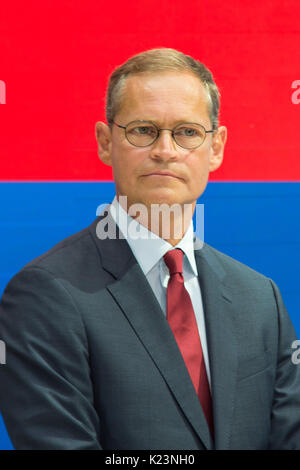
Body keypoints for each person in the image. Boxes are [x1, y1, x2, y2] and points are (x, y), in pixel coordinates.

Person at [0, 48, 299, 450]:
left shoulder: (261, 299)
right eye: (143, 130)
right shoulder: (44, 295)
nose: (165, 150)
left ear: (216, 148)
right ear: (106, 142)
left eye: (187, 132)